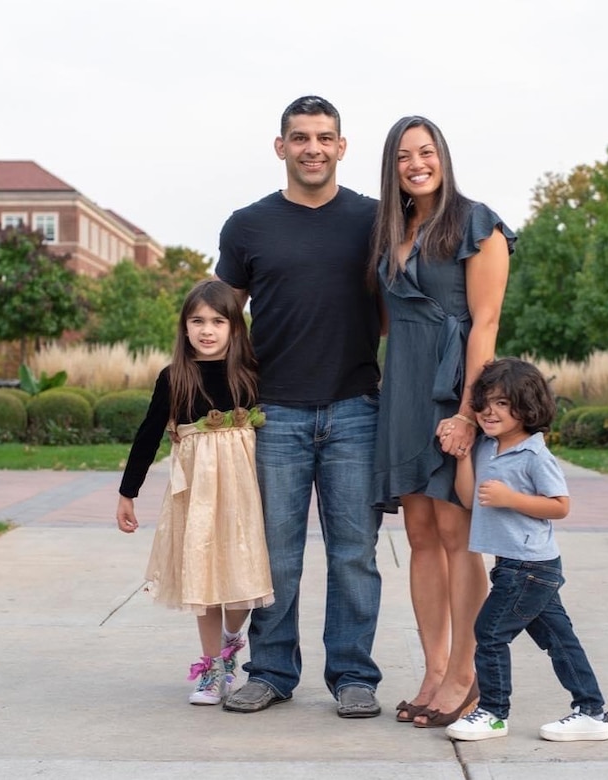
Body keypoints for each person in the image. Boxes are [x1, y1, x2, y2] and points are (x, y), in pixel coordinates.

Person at [214, 95, 384, 718]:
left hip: (356, 409)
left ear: (342, 147)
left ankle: (353, 676)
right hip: (276, 413)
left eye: (324, 137)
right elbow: (222, 321)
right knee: (276, 556)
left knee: (354, 554)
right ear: (280, 146)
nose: (313, 147)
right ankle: (273, 671)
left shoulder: (374, 220)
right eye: (300, 137)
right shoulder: (247, 226)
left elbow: (402, 309)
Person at [370, 116, 516, 728]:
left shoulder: (478, 224)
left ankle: (465, 673)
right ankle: (433, 670)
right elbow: (385, 319)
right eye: (404, 155)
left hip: (453, 387)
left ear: (443, 157)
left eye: (426, 152)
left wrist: (466, 413)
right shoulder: (391, 231)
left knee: (458, 539)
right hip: (401, 389)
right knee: (421, 538)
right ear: (392, 166)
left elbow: (484, 324)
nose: (416, 163)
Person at [116, 279, 274, 706]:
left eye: (218, 321)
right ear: (184, 328)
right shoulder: (175, 377)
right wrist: (127, 492)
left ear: (235, 328)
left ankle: (230, 640)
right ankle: (212, 670)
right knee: (202, 578)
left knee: (241, 581)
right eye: (197, 321)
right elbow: (148, 435)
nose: (207, 329)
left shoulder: (251, 373)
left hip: (242, 492)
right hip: (196, 494)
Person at [445, 357, 608, 742]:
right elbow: (470, 500)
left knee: (488, 633)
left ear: (528, 406)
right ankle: (591, 711)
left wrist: (511, 498)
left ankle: (492, 712)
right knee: (560, 641)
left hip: (530, 567)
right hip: (514, 565)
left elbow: (560, 506)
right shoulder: (487, 448)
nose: (490, 411)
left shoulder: (535, 455)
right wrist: (463, 458)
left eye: (503, 403)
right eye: (485, 402)